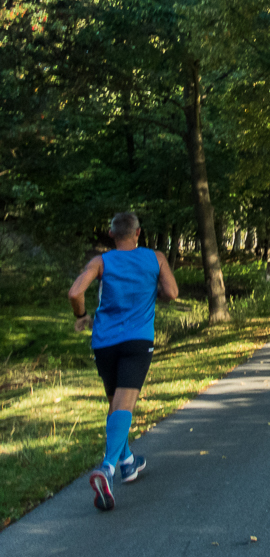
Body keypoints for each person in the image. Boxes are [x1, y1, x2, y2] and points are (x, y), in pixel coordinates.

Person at [69, 211, 178, 511]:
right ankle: (107, 468)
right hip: (136, 341)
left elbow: (76, 291)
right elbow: (172, 292)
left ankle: (128, 463)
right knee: (124, 405)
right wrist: (152, 290)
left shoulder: (101, 262)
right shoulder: (155, 258)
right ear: (138, 233)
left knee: (115, 404)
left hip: (104, 343)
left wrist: (81, 316)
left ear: (111, 234)